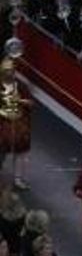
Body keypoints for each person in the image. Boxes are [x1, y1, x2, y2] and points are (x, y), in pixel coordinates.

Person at [0, 55, 30, 190]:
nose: (9, 73)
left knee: (21, 152)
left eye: (11, 70)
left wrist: (21, 101)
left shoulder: (21, 86)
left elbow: (30, 103)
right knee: (1, 150)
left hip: (18, 122)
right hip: (2, 122)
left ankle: (18, 179)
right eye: (7, 70)